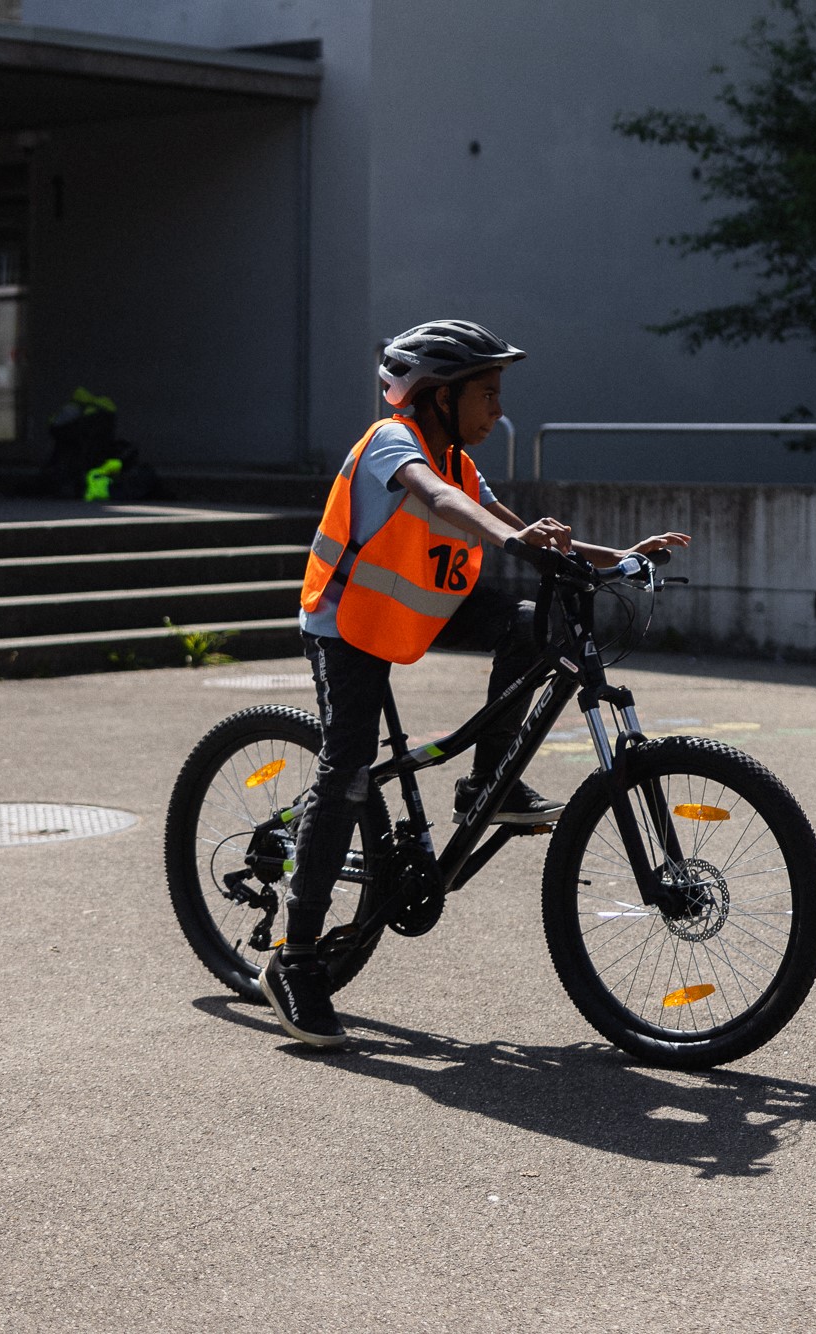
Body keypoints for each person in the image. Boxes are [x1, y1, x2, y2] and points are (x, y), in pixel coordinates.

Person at [261, 319, 689, 1050]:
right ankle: (295, 957)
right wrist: (510, 540)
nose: (497, 411)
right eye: (486, 396)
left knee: (530, 622)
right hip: (347, 621)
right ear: (437, 397)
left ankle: (488, 781)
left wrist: (617, 556)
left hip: (412, 614)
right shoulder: (396, 444)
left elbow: (509, 522)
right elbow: (435, 500)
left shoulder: (459, 461)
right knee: (350, 769)